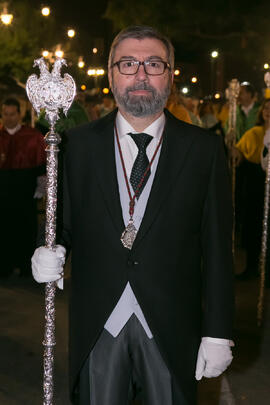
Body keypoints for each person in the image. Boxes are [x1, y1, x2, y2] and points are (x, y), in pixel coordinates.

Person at [32, 26, 234, 405]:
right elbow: (63, 223)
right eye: (128, 63)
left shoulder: (204, 150)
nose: (141, 74)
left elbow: (219, 249)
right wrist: (46, 248)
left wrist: (219, 331)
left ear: (170, 75)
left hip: (173, 328)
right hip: (98, 325)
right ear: (111, 74)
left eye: (153, 63)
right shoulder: (76, 146)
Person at [0, 97, 46, 277]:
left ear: (19, 114)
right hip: (3, 191)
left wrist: (40, 188)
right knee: (3, 229)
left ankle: (25, 266)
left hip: (25, 190)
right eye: (5, 114)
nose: (9, 118)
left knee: (26, 228)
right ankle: (4, 266)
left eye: (12, 114)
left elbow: (42, 165)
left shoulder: (33, 136)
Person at [233, 99, 270, 279]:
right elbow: (239, 154)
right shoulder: (254, 133)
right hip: (255, 186)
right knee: (253, 225)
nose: (268, 112)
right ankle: (252, 267)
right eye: (266, 109)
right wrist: (234, 149)